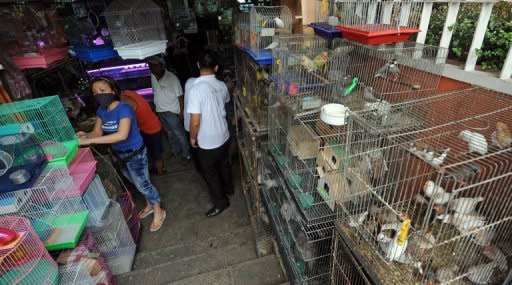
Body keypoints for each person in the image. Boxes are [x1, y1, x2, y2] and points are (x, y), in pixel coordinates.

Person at [77, 77, 166, 232]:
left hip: (134, 154)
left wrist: (91, 141)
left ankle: (159, 210)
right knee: (135, 182)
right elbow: (97, 131)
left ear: (113, 91)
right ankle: (149, 205)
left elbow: (122, 135)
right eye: (95, 92)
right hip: (119, 155)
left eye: (102, 91)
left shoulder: (124, 108)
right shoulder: (101, 111)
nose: (99, 95)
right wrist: (85, 136)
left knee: (143, 184)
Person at [187, 49, 233, 217]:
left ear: (198, 65)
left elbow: (195, 121)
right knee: (223, 163)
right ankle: (229, 188)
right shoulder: (221, 85)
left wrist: (192, 137)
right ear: (216, 68)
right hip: (224, 134)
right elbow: (225, 104)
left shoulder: (195, 90)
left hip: (208, 141)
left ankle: (221, 202)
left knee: (210, 173)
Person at [147, 56, 191, 161]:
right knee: (169, 133)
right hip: (160, 110)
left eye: (154, 66)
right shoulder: (152, 76)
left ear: (161, 66)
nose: (152, 69)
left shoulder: (172, 78)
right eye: (150, 66)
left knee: (179, 134)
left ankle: (187, 154)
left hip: (171, 111)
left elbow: (180, 96)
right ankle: (175, 151)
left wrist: (182, 112)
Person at [120, 89, 165, 175]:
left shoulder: (124, 99)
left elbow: (130, 116)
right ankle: (155, 169)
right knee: (151, 152)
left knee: (156, 154)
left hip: (152, 128)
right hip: (148, 126)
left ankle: (161, 174)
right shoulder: (127, 92)